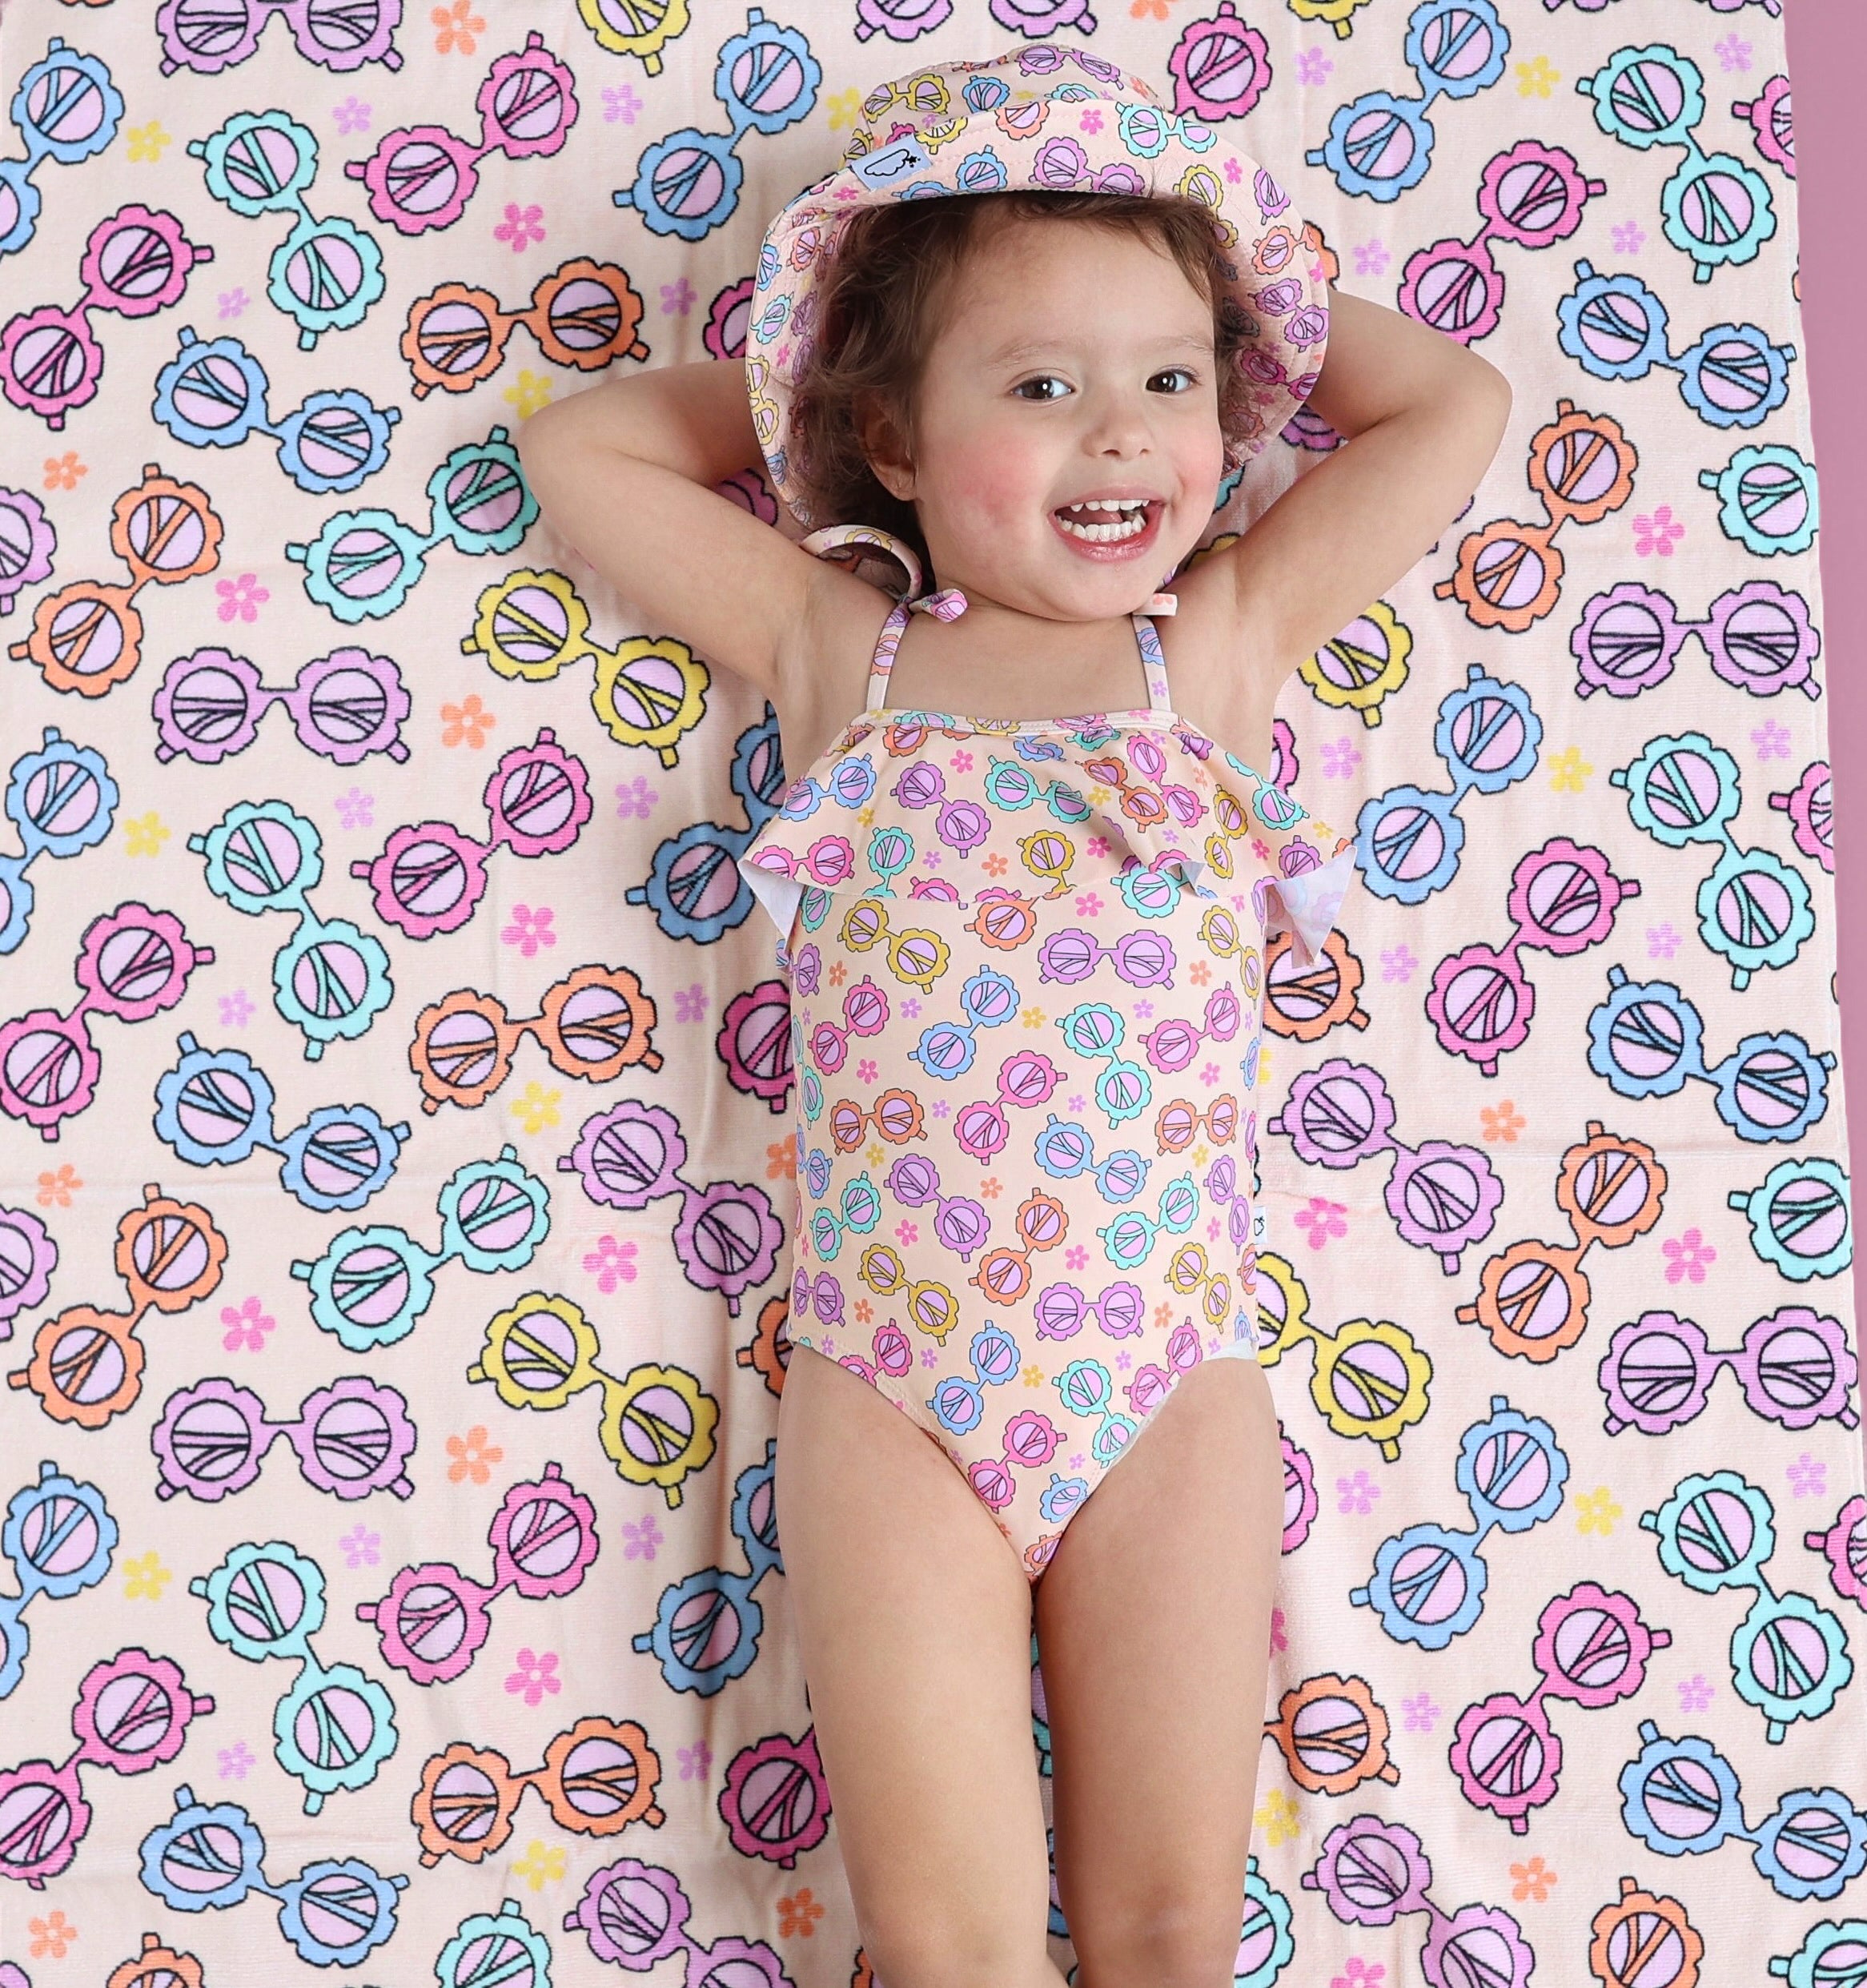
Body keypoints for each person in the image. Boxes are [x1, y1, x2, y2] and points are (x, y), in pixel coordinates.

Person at [519, 43, 1511, 1988]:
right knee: (946, 1941)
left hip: (1165, 1377)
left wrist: (1255, 303)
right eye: (1040, 387)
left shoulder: (1208, 645)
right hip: (888, 1384)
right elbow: (583, 453)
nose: (1122, 434)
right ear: (888, 436)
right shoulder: (842, 648)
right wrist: (818, 366)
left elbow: (1449, 404)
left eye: (1172, 383)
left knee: (1168, 1929)